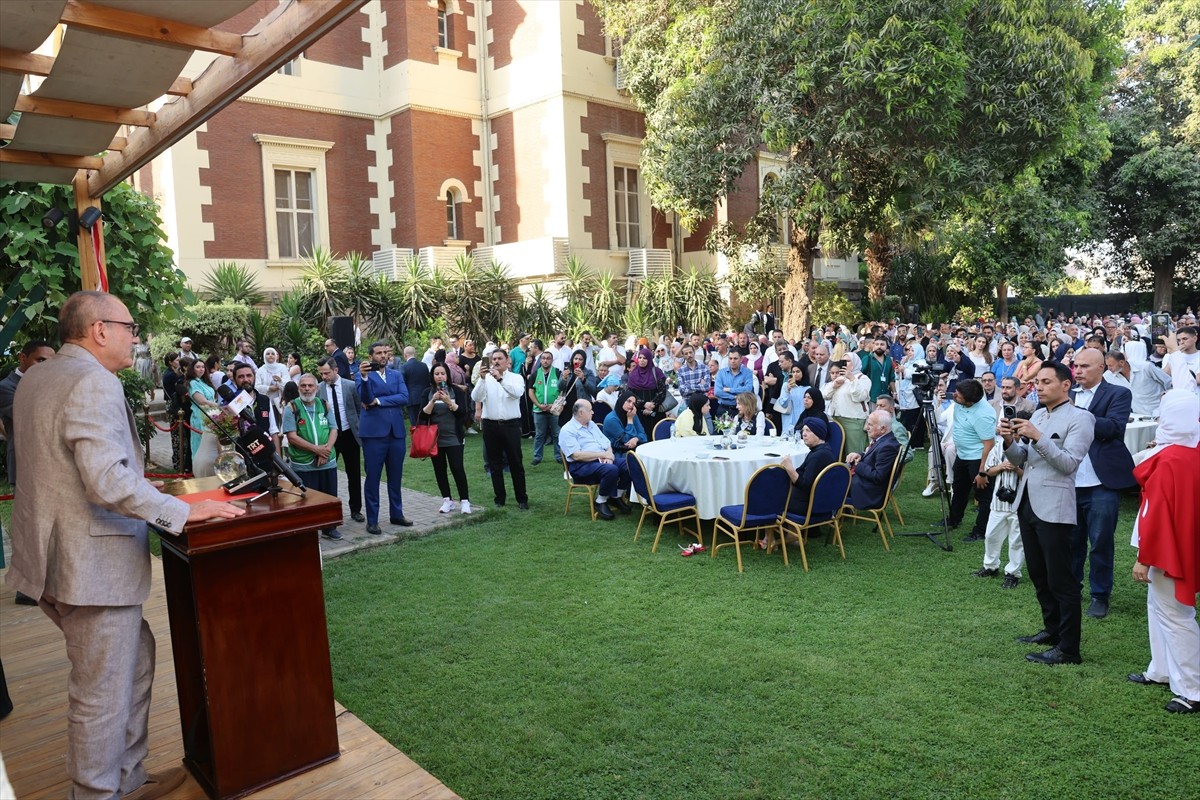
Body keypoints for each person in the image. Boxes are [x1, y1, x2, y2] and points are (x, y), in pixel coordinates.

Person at [5, 291, 243, 800]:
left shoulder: (41, 374)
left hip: (49, 558)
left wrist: (140, 481)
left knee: (134, 658)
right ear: (99, 330)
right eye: (130, 328)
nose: (136, 338)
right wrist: (185, 511)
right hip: (87, 566)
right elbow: (105, 482)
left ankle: (128, 779)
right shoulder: (94, 382)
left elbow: (62, 463)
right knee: (100, 695)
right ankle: (96, 793)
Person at [1000, 361, 1095, 666]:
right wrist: (1009, 440)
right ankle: (1052, 631)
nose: (1038, 387)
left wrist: (1038, 436)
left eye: (1045, 382)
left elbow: (1068, 464)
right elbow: (1023, 459)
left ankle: (1069, 649)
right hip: (1027, 503)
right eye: (1037, 382)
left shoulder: (1082, 418)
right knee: (1039, 576)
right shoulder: (1039, 414)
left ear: (1065, 385)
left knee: (1061, 581)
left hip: (1055, 508)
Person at [1128, 389, 1200, 714]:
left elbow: (1156, 512)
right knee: (1159, 608)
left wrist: (1145, 557)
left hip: (1169, 546)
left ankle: (1192, 689)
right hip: (1184, 540)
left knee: (1175, 615)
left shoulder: (1170, 460)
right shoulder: (1189, 453)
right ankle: (1161, 669)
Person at [1068, 348, 1136, 620]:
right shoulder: (1068, 395)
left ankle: (1100, 595)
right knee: (1071, 542)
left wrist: (1075, 415)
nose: (1078, 371)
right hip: (1069, 480)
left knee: (1100, 542)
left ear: (1101, 368)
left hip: (1101, 482)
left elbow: (1113, 429)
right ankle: (1071, 589)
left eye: (1084, 366)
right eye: (1075, 366)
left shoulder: (1119, 393)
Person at [357, 341, 411, 533]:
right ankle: (372, 520)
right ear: (371, 356)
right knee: (373, 478)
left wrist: (379, 401)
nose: (382, 356)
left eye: (385, 353)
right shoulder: (362, 376)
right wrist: (364, 379)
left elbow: (404, 397)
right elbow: (365, 398)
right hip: (373, 435)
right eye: (378, 353)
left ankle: (397, 514)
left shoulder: (396, 374)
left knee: (395, 477)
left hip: (396, 433)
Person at [283, 374, 342, 540]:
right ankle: (308, 531)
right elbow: (292, 437)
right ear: (298, 388)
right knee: (306, 498)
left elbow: (333, 429)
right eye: (303, 386)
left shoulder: (324, 404)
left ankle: (330, 528)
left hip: (327, 460)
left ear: (316, 388)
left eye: (310, 386)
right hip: (303, 463)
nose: (307, 389)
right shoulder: (291, 408)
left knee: (329, 496)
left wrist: (327, 450)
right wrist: (317, 450)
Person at [972, 413, 1027, 589]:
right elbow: (988, 471)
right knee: (991, 536)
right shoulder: (998, 447)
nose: (1014, 434)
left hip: (1019, 504)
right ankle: (990, 566)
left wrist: (1017, 468)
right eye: (1012, 430)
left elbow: (1031, 476)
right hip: (998, 503)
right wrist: (1002, 466)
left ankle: (1013, 573)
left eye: (1017, 431)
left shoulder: (1029, 448)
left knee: (1017, 541)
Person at [472, 348, 529, 509]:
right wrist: (482, 379)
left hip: (511, 425)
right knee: (494, 464)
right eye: (494, 359)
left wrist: (501, 380)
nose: (496, 361)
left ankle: (522, 499)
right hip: (491, 425)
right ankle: (500, 498)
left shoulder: (516, 378)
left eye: (499, 359)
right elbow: (475, 397)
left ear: (507, 361)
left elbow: (517, 393)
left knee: (516, 463)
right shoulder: (486, 379)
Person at [558, 399, 631, 521]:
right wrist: (603, 455)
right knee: (610, 469)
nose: (593, 412)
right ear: (581, 413)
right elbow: (576, 456)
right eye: (590, 410)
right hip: (580, 467)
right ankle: (600, 501)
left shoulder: (591, 424)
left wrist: (608, 454)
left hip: (600, 460)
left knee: (629, 464)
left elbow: (606, 442)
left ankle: (615, 497)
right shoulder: (567, 430)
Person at [945, 378, 996, 535]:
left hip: (978, 457)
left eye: (959, 395)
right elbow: (950, 395)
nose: (955, 395)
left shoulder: (983, 415)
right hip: (962, 454)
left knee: (983, 496)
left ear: (969, 401)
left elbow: (989, 444)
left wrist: (982, 472)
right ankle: (954, 519)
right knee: (959, 488)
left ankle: (981, 530)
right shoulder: (960, 401)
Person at [420, 364, 472, 515]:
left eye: (443, 373)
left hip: (454, 437)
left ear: (447, 375)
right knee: (439, 469)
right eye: (437, 374)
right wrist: (433, 401)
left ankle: (465, 501)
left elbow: (463, 414)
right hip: (435, 439)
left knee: (457, 468)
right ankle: (447, 500)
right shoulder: (427, 393)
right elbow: (423, 416)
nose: (440, 376)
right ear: (433, 376)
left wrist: (449, 402)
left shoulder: (455, 391)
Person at [318, 356, 364, 523]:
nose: (324, 377)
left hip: (349, 434)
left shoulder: (350, 386)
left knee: (354, 474)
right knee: (328, 475)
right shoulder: (319, 389)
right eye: (321, 374)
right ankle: (330, 511)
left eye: (327, 373)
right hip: (330, 436)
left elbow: (359, 409)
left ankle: (356, 509)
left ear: (336, 370)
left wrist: (359, 428)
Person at [845, 410, 901, 510]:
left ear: (883, 429)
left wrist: (858, 465)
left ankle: (824, 516)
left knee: (831, 481)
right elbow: (871, 456)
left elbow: (878, 476)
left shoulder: (887, 447)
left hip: (868, 492)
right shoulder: (883, 440)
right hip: (863, 483)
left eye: (870, 425)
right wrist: (859, 455)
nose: (866, 428)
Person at [780, 417, 837, 515]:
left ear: (818, 433)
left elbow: (804, 485)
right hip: (821, 503)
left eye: (808, 431)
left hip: (807, 505)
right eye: (803, 431)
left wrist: (789, 467)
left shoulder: (818, 456)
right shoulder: (824, 450)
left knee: (770, 495)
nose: (804, 434)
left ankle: (760, 527)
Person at [822, 357, 871, 456]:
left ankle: (854, 471)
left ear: (855, 363)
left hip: (853, 421)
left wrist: (852, 379)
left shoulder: (863, 378)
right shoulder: (839, 378)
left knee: (853, 453)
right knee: (837, 453)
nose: (845, 363)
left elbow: (860, 397)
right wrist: (834, 385)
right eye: (843, 360)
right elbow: (825, 395)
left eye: (848, 361)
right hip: (836, 419)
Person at [526, 350, 563, 466]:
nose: (546, 360)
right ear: (540, 360)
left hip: (554, 410)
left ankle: (559, 456)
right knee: (539, 434)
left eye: (548, 358)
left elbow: (562, 391)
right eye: (543, 358)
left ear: (552, 360)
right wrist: (538, 405)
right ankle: (537, 457)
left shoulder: (557, 373)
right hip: (539, 410)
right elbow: (531, 391)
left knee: (557, 434)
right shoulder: (535, 374)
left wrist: (555, 405)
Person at [186, 357, 220, 477]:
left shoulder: (204, 382)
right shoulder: (193, 383)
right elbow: (202, 401)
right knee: (200, 446)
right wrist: (220, 406)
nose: (200, 369)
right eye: (197, 367)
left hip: (212, 416)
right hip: (200, 417)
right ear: (192, 369)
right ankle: (198, 473)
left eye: (202, 367)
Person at [625, 347, 669, 429]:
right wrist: (644, 404)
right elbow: (630, 394)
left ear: (649, 359)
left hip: (656, 411)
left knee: (657, 434)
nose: (641, 360)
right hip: (639, 412)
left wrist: (652, 405)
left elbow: (662, 392)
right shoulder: (633, 374)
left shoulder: (657, 372)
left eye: (644, 358)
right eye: (640, 358)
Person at [556, 348, 598, 428]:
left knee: (582, 429)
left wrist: (583, 379)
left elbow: (593, 389)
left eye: (580, 359)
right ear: (572, 359)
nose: (577, 361)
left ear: (584, 361)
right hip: (567, 407)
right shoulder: (567, 371)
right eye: (576, 359)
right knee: (566, 428)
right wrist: (564, 379)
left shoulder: (588, 372)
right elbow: (559, 387)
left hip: (582, 407)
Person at [602, 390, 648, 455]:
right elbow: (627, 440)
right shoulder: (611, 419)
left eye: (633, 403)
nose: (631, 405)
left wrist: (636, 438)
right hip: (618, 452)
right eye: (629, 401)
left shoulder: (632, 414)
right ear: (622, 400)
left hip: (635, 449)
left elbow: (643, 434)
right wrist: (630, 420)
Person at [714, 349, 754, 419]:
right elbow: (717, 392)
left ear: (741, 359)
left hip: (741, 410)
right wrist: (735, 397)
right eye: (730, 358)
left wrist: (730, 389)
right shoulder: (721, 373)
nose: (732, 361)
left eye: (735, 358)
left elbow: (748, 389)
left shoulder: (747, 372)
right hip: (723, 408)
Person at [400, 345, 431, 428]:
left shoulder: (404, 367)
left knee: (415, 423)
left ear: (405, 355)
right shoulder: (424, 365)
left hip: (412, 398)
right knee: (425, 421)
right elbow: (428, 380)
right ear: (415, 354)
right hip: (425, 397)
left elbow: (402, 383)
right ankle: (427, 439)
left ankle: (418, 439)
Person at [1162, 325, 1200, 394]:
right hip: (1177, 396)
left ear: (1195, 339)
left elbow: (1198, 379)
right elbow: (1163, 377)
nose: (1181, 342)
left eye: (1185, 339)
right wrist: (1175, 355)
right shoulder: (1170, 355)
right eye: (1178, 340)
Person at [775, 363, 810, 434]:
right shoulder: (786, 385)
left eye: (798, 371)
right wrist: (788, 391)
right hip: (788, 420)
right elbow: (783, 404)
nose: (795, 374)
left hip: (801, 421)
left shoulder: (808, 388)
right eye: (793, 372)